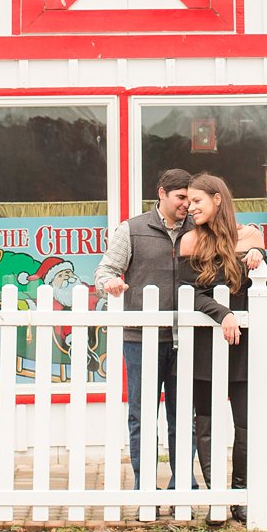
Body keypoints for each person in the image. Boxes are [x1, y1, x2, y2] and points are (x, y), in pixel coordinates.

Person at [93, 168, 195, 490]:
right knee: (142, 416)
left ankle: (183, 486)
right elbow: (105, 269)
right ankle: (145, 487)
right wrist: (109, 283)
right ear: (162, 193)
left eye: (190, 199)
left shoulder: (199, 228)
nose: (186, 205)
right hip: (140, 338)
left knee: (184, 419)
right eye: (181, 198)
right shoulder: (132, 229)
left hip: (187, 338)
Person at [178, 172, 266, 523]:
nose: (190, 207)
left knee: (245, 423)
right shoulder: (189, 241)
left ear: (217, 199)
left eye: (197, 201)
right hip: (204, 346)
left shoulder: (251, 237)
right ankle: (217, 496)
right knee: (207, 422)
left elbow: (261, 291)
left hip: (243, 347)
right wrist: (223, 313)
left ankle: (240, 497)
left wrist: (259, 258)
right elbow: (190, 295)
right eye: (187, 201)